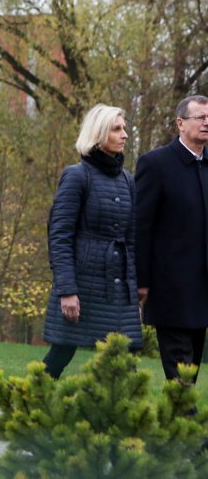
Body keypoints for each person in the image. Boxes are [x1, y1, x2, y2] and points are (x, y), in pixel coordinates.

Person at [41, 104, 142, 377]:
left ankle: (119, 414)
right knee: (62, 351)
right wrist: (67, 290)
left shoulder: (127, 181)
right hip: (83, 283)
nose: (124, 135)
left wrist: (136, 285)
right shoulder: (77, 175)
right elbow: (60, 236)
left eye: (124, 129)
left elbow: (131, 240)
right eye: (117, 129)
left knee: (124, 354)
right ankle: (28, 401)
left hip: (119, 286)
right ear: (99, 134)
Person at [136, 95, 208, 382]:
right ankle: (187, 426)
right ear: (180, 123)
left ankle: (181, 426)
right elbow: (141, 226)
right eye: (200, 117)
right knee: (180, 375)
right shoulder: (155, 164)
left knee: (190, 375)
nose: (206, 123)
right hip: (170, 289)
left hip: (203, 291)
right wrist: (142, 280)